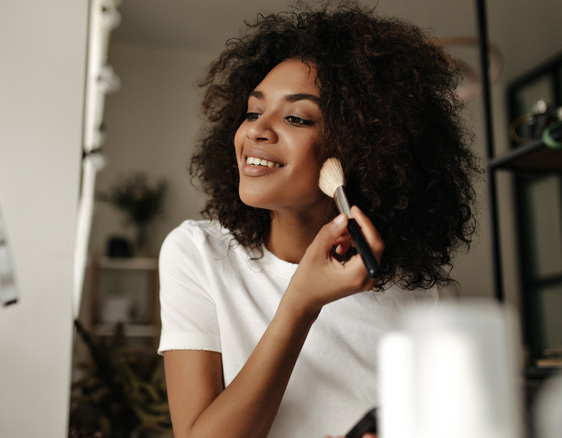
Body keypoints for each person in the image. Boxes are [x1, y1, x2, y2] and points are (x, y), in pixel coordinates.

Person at [157, 2, 480, 437]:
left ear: (362, 149)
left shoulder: (424, 299)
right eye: (253, 112)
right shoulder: (199, 254)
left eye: (296, 118)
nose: (256, 130)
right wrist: (300, 304)